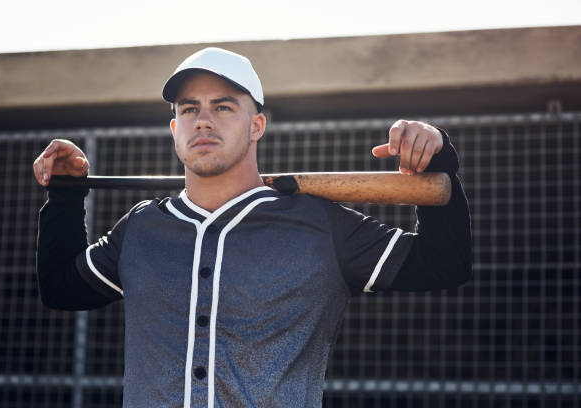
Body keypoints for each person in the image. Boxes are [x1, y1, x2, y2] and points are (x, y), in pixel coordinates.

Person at [33, 47, 472, 408]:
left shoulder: (319, 225)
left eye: (223, 106)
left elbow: (442, 264)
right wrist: (67, 197)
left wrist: (437, 163)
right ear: (174, 128)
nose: (203, 120)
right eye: (189, 109)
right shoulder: (142, 228)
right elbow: (61, 288)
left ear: (256, 124)